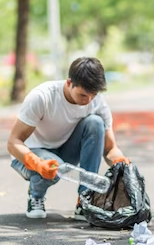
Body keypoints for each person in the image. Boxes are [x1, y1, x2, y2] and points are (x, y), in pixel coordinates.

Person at [7, 57, 129, 220]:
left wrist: (119, 161)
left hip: (64, 151)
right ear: (69, 83)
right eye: (83, 95)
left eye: (93, 95)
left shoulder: (96, 102)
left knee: (95, 122)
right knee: (55, 166)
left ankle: (85, 200)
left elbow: (110, 149)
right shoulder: (42, 97)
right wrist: (37, 163)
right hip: (29, 155)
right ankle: (36, 195)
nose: (88, 101)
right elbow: (13, 142)